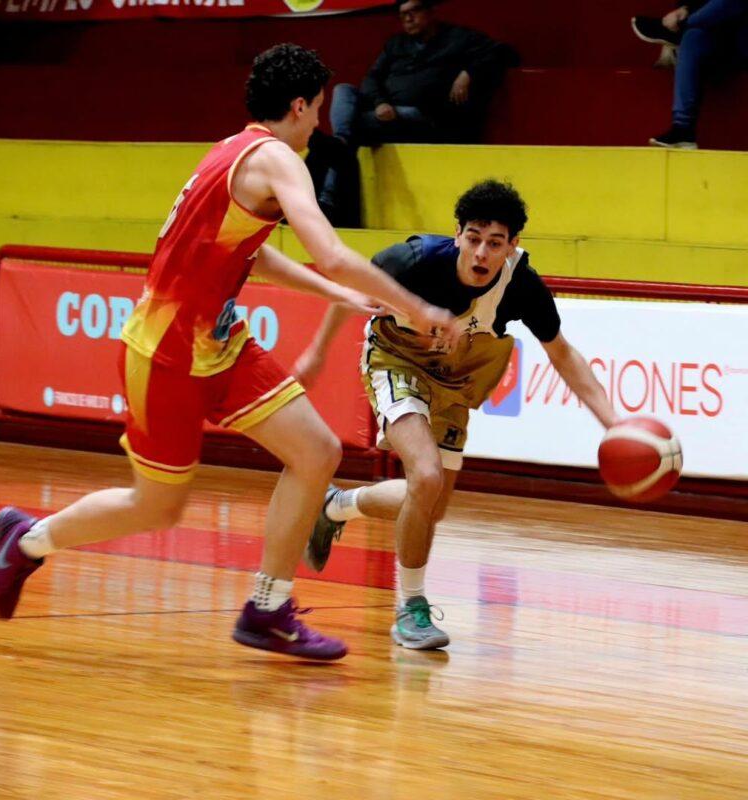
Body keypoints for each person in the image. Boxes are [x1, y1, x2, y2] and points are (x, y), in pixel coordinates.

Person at [0, 43, 461, 662]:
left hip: (220, 341)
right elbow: (332, 253)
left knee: (317, 451)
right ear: (298, 105)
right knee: (157, 506)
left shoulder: (233, 151)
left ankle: (268, 609)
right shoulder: (278, 159)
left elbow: (252, 255)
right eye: (318, 109)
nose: (319, 123)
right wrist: (417, 307)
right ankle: (26, 541)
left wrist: (335, 294)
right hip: (166, 352)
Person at [294, 180, 620, 650]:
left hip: (454, 379)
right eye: (473, 238)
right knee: (425, 476)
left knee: (432, 505)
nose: (482, 252)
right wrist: (318, 352)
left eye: (495, 243)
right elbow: (350, 286)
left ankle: (335, 506)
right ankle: (411, 608)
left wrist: (613, 422)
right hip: (395, 359)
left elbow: (562, 354)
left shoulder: (521, 286)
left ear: (513, 245)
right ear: (457, 234)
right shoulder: (415, 260)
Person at [329, 0, 519, 148]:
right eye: (403, 15)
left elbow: (503, 52)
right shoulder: (396, 43)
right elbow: (372, 77)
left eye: (414, 12)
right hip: (386, 109)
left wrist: (468, 73)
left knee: (353, 123)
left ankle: (341, 143)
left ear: (431, 12)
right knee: (342, 90)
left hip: (424, 114)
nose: (408, 19)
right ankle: (341, 141)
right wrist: (380, 102)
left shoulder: (457, 37)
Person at [632, 1, 748, 148]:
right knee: (693, 38)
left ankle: (678, 30)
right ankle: (683, 130)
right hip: (725, 42)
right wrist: (686, 9)